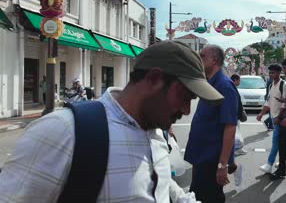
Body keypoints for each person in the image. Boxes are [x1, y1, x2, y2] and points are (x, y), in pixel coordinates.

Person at [0, 41, 223, 202]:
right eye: (184, 97)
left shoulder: (157, 132)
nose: (186, 110)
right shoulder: (64, 130)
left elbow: (157, 184)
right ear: (154, 80)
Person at [185, 45, 239, 203]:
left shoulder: (224, 86)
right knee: (199, 195)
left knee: (209, 198)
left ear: (214, 60)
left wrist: (223, 165)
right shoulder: (209, 82)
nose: (198, 59)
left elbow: (230, 127)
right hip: (202, 156)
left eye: (202, 56)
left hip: (211, 159)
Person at [256, 64, 286, 173]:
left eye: (273, 72)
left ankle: (269, 164)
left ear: (279, 73)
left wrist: (279, 118)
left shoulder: (283, 85)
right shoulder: (271, 85)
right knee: (283, 140)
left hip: (279, 117)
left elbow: (284, 104)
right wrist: (261, 113)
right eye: (270, 72)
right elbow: (268, 102)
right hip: (273, 116)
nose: (271, 74)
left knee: (275, 141)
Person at [230, 74, 248, 156]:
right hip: (234, 116)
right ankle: (236, 149)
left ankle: (238, 148)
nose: (239, 82)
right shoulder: (231, 88)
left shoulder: (233, 88)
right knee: (235, 133)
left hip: (236, 115)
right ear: (235, 80)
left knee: (237, 132)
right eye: (239, 80)